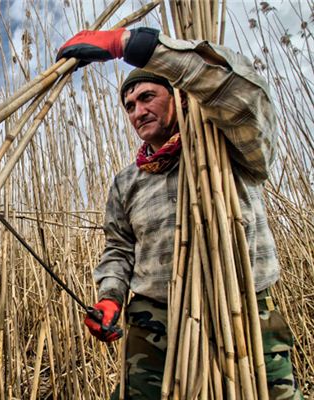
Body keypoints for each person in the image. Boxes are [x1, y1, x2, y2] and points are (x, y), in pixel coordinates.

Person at [56, 27, 303, 399]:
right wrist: (110, 295)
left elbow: (240, 93)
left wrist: (133, 45)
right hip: (155, 317)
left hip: (246, 310)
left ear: (179, 97)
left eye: (147, 97)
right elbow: (120, 249)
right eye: (129, 105)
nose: (138, 111)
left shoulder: (231, 144)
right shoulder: (128, 181)